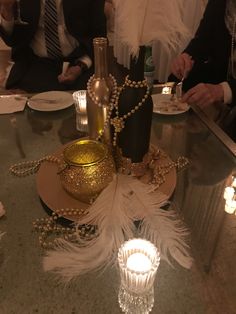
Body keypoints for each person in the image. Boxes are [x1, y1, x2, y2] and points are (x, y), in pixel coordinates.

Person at [0, 0, 107, 92]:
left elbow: (99, 36)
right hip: (38, 63)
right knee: (36, 106)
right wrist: (7, 9)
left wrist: (81, 65)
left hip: (80, 58)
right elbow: (13, 40)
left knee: (91, 99)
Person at [169, 0, 236, 113]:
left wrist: (223, 90)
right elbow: (202, 39)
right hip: (219, 76)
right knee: (176, 81)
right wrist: (186, 57)